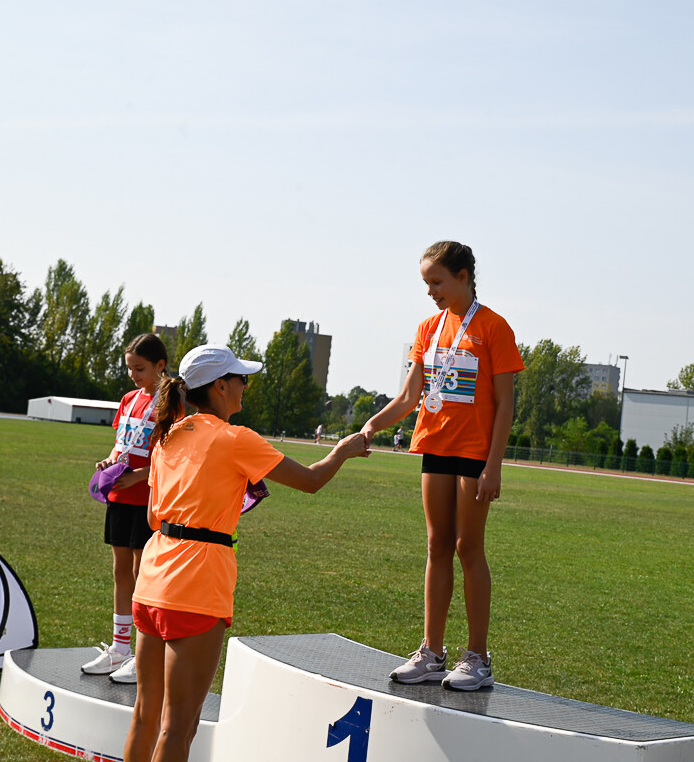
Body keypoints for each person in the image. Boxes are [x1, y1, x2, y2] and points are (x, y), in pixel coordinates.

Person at [124, 344, 368, 762]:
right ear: (219, 386)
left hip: (151, 579)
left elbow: (152, 516)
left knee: (145, 716)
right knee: (178, 726)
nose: (244, 386)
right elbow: (309, 481)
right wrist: (342, 450)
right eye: (240, 379)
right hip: (197, 584)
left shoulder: (167, 436)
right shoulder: (236, 438)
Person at [361, 241, 524, 691]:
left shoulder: (494, 327)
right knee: (437, 546)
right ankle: (432, 652)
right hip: (435, 446)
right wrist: (372, 425)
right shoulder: (428, 328)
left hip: (475, 455)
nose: (431, 291)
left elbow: (506, 404)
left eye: (437, 282)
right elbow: (410, 396)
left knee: (467, 548)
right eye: (426, 283)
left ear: (464, 276)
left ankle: (478, 657)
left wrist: (494, 466)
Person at [83, 333, 169, 684]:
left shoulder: (171, 403)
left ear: (160, 366)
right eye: (130, 368)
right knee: (121, 572)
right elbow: (122, 442)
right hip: (118, 496)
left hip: (146, 499)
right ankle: (120, 648)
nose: (133, 375)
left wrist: (140, 476)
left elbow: (170, 457)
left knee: (142, 575)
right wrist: (110, 460)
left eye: (140, 368)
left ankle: (143, 655)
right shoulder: (129, 399)